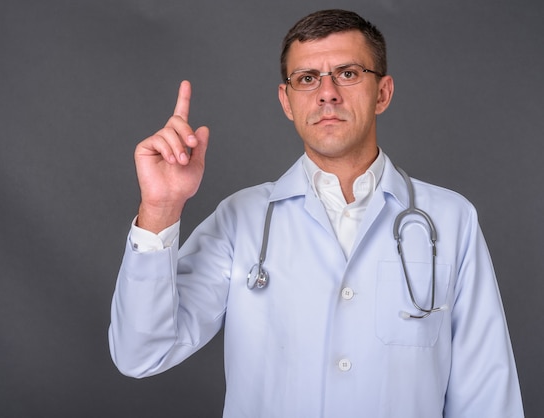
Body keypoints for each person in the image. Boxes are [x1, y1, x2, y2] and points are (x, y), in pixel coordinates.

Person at [108, 9, 524, 417]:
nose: (328, 92)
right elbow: (141, 353)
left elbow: (487, 393)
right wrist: (161, 208)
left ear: (383, 92)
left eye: (348, 73)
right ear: (286, 101)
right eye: (307, 79)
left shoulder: (451, 220)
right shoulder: (242, 219)